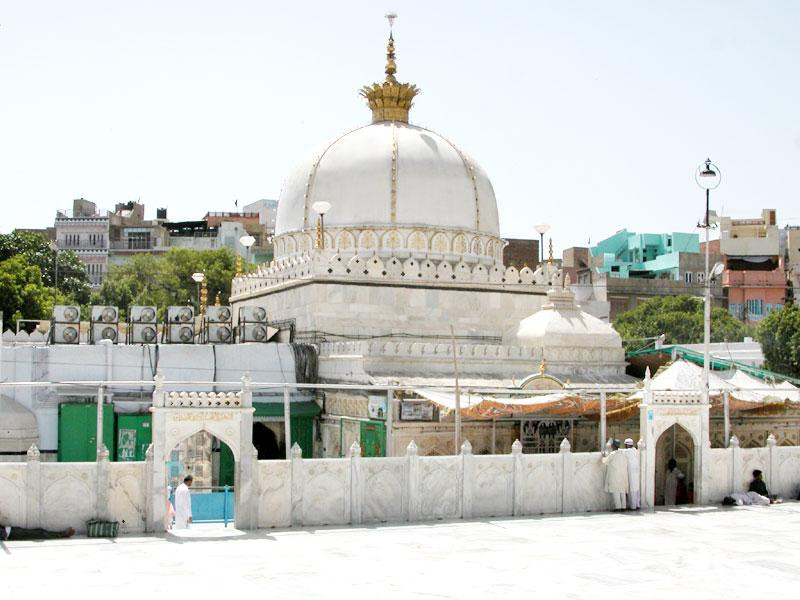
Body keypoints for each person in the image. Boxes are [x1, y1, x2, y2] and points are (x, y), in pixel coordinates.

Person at [602, 439, 629, 511]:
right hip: (623, 475)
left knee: (616, 491)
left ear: (613, 446)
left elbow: (604, 461)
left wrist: (603, 455)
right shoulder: (623, 454)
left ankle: (618, 507)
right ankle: (623, 507)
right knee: (622, 492)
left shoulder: (613, 454)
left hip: (615, 476)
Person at [1, 523, 75, 541]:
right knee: (40, 533)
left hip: (12, 531)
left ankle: (63, 534)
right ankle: (63, 534)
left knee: (39, 531)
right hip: (12, 533)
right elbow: (2, 534)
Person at [623, 438, 641, 510]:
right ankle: (637, 504)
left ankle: (633, 506)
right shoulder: (635, 450)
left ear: (627, 445)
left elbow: (619, 451)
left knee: (632, 489)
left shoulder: (628, 451)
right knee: (636, 489)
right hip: (636, 472)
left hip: (631, 472)